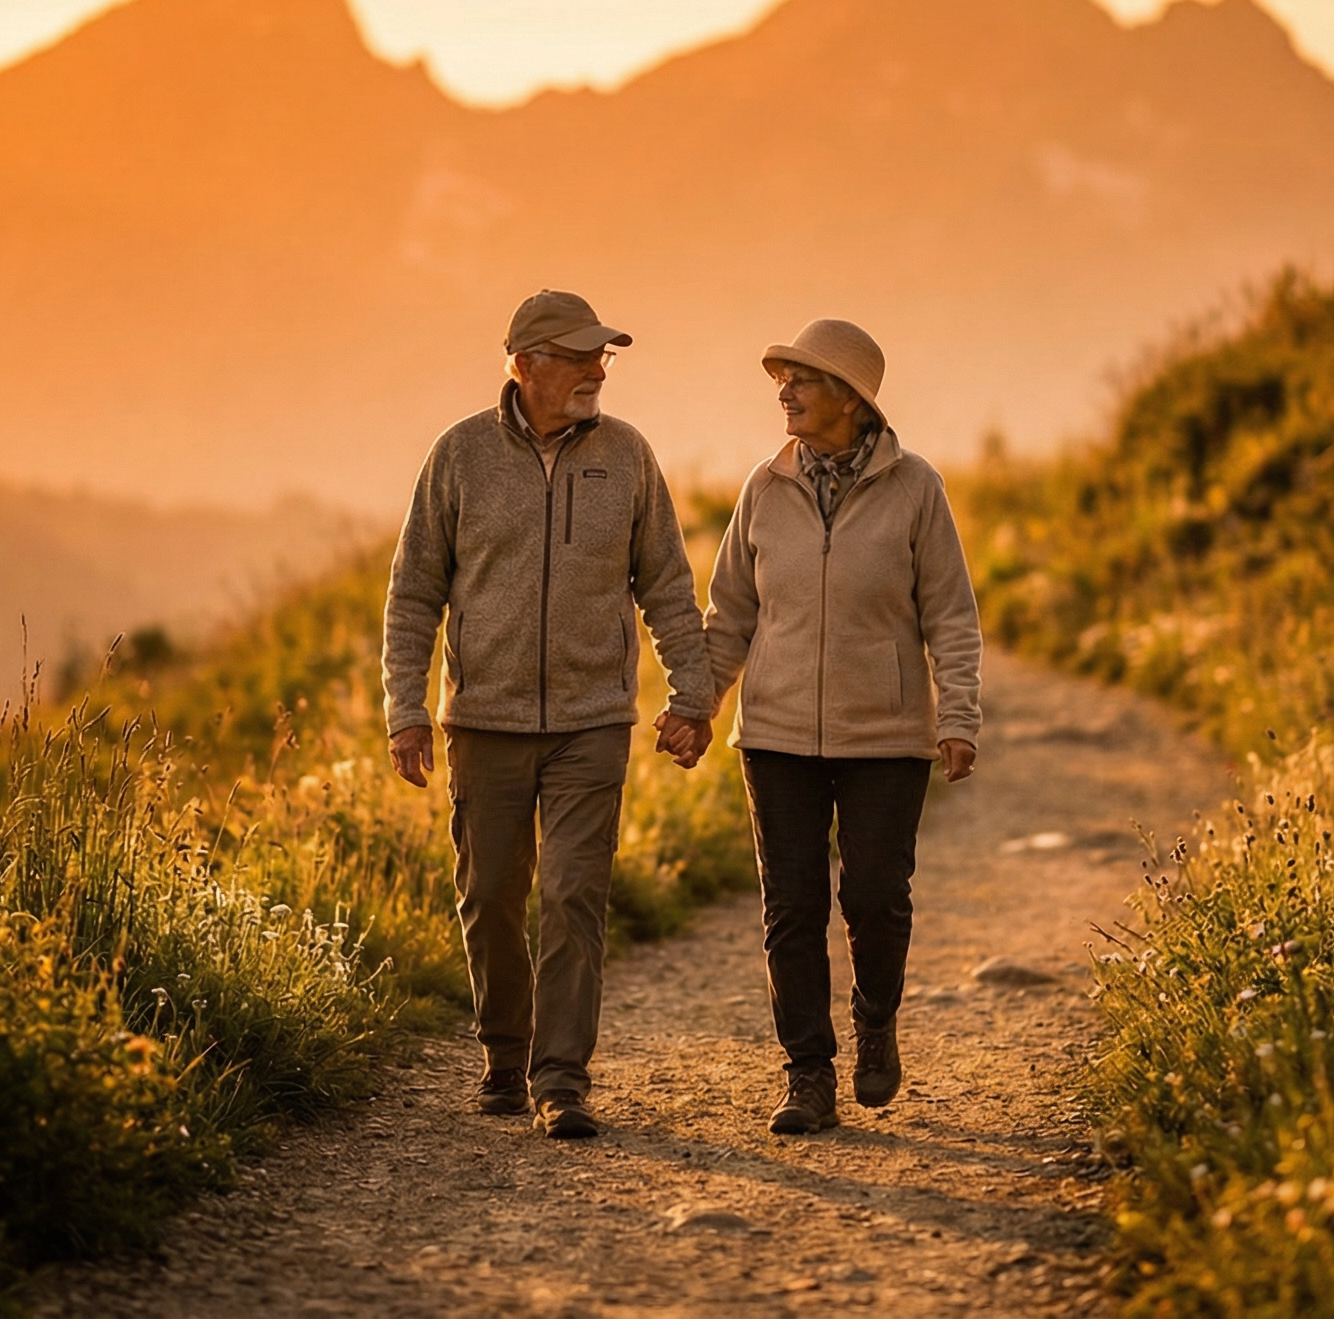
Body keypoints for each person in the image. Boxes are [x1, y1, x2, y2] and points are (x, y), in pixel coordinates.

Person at [384, 288, 716, 1141]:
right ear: (525, 364)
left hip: (592, 722)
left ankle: (561, 1078)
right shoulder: (458, 457)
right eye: (576, 357)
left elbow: (669, 587)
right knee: (491, 894)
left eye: (602, 356)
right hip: (483, 722)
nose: (596, 370)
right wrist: (406, 709)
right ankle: (505, 1055)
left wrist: (694, 693)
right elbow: (415, 592)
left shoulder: (629, 458)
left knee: (574, 892)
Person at [702, 318, 982, 1135]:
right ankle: (807, 1074)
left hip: (886, 737)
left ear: (852, 400)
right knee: (790, 906)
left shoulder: (917, 489)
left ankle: (875, 1019)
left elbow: (952, 617)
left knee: (873, 897)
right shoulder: (764, 486)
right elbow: (730, 613)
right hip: (776, 733)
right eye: (781, 379)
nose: (784, 392)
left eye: (803, 379)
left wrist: (957, 716)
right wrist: (698, 704)